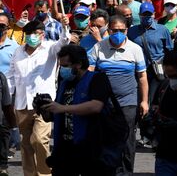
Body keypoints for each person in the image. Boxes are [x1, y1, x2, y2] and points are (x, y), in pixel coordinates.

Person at [7, 17, 70, 176]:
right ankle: (29, 174)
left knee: (40, 140)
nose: (33, 36)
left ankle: (44, 173)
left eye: (37, 33)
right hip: (21, 104)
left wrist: (64, 27)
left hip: (44, 105)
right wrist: (7, 97)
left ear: (43, 34)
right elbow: (12, 76)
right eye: (30, 33)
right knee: (26, 144)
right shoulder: (18, 51)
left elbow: (64, 42)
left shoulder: (50, 48)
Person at [89, 15, 149, 176]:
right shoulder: (98, 47)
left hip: (128, 102)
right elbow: (89, 72)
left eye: (121, 30)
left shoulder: (135, 49)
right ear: (108, 30)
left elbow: (142, 77)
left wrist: (144, 101)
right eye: (114, 30)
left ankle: (126, 172)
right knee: (105, 140)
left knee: (127, 141)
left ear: (126, 30)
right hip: (104, 104)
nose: (117, 33)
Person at [44, 45, 114, 175]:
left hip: (90, 145)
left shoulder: (97, 79)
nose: (63, 70)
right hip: (65, 145)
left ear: (79, 64)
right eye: (61, 66)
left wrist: (62, 108)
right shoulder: (65, 83)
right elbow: (58, 112)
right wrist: (47, 109)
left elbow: (96, 106)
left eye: (66, 66)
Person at [0, 13, 16, 176]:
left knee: (4, 127)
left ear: (8, 27)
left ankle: (2, 163)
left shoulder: (14, 47)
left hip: (7, 90)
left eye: (2, 25)